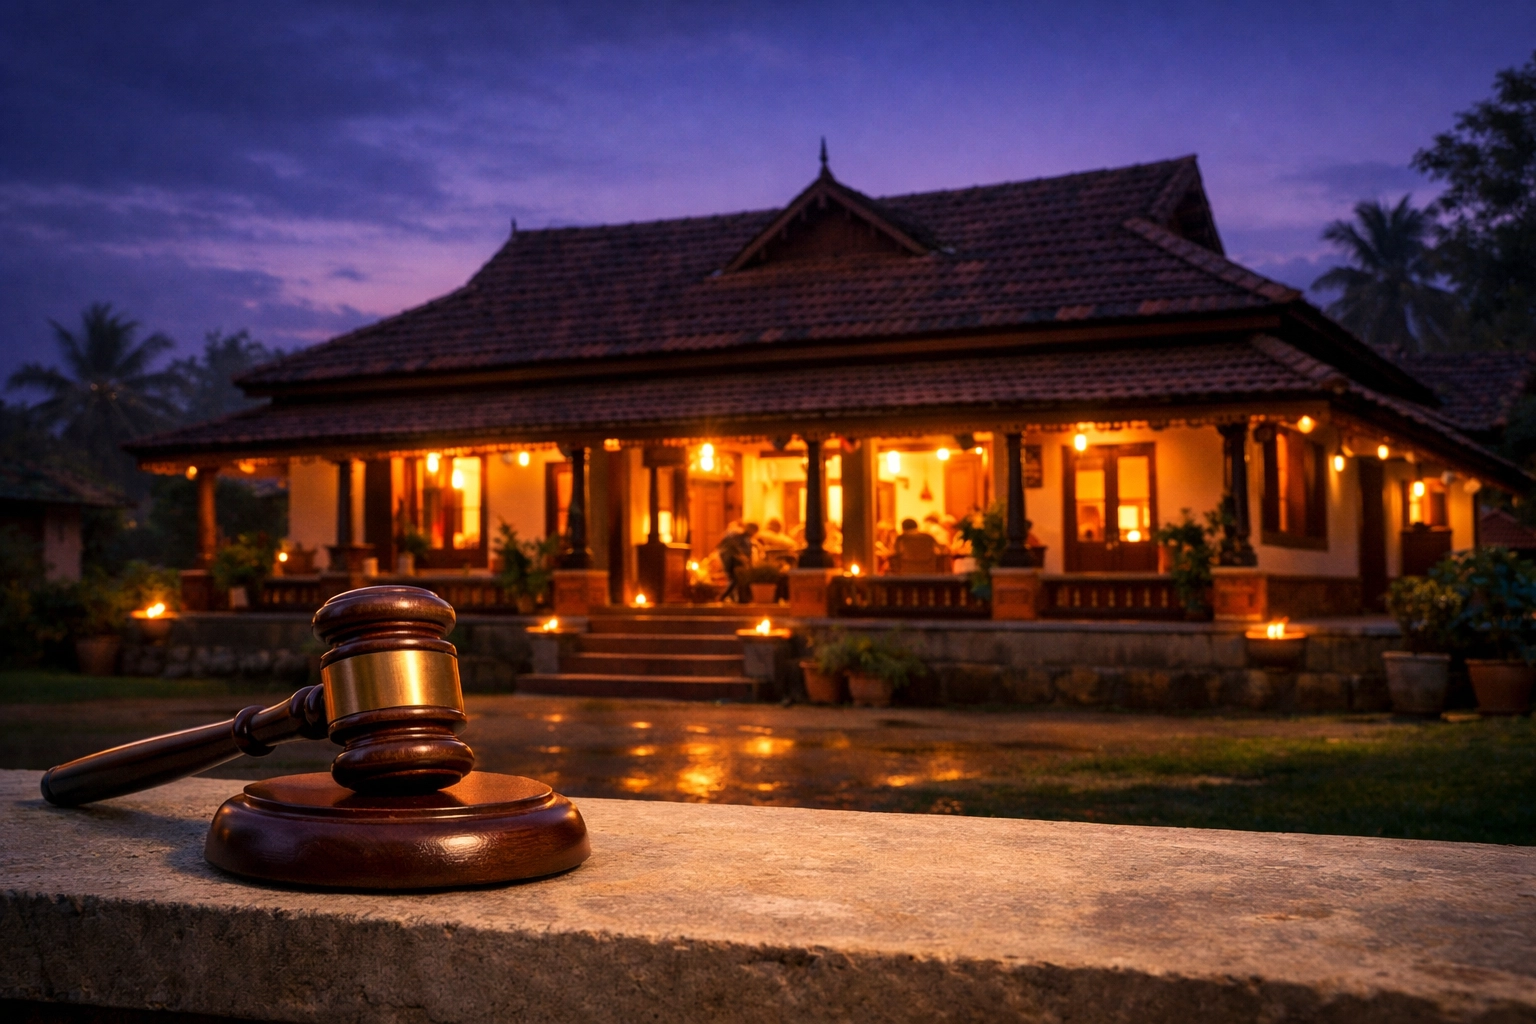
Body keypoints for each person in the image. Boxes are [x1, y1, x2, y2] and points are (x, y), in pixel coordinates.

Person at [715, 522, 758, 602]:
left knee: (736, 580)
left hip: (735, 560)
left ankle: (731, 598)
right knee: (734, 579)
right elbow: (732, 548)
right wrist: (741, 556)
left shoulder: (744, 538)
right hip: (732, 560)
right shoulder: (738, 536)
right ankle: (723, 597)